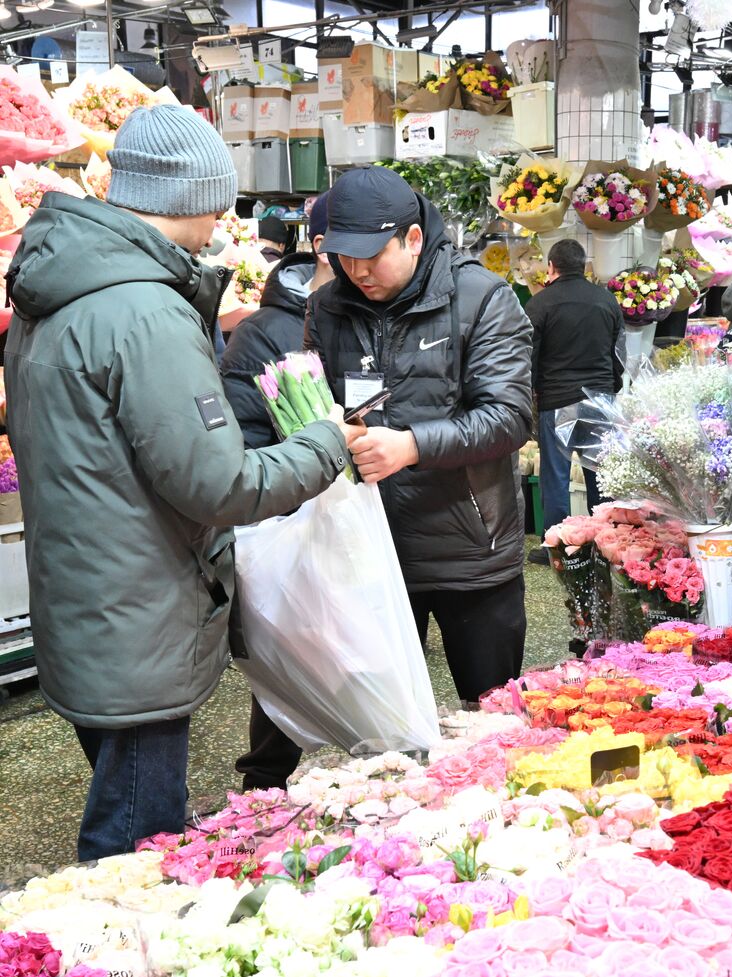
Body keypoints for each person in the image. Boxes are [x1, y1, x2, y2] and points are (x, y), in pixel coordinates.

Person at [3, 105, 363, 860]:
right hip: (140, 623)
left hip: (87, 605)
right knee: (133, 845)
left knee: (127, 804)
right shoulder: (145, 310)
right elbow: (219, 483)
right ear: (195, 196)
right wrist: (323, 441)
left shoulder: (58, 289)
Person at [306, 165, 533, 705]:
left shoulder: (483, 298)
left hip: (471, 554)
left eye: (372, 256)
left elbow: (509, 416)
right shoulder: (326, 306)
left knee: (492, 714)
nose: (357, 271)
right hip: (372, 549)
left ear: (412, 239)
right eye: (344, 256)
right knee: (389, 728)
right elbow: (315, 402)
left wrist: (411, 446)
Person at [221, 190, 337, 790]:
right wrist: (310, 454)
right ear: (322, 246)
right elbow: (241, 438)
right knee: (287, 663)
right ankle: (264, 792)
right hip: (293, 523)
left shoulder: (374, 309)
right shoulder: (263, 332)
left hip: (371, 523)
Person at [523, 239, 624, 564]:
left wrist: (532, 392)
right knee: (600, 475)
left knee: (556, 475)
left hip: (558, 401)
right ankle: (604, 542)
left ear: (552, 267)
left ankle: (558, 544)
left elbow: (529, 357)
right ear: (584, 266)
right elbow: (618, 354)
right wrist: (612, 388)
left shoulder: (541, 304)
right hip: (600, 401)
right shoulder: (606, 301)